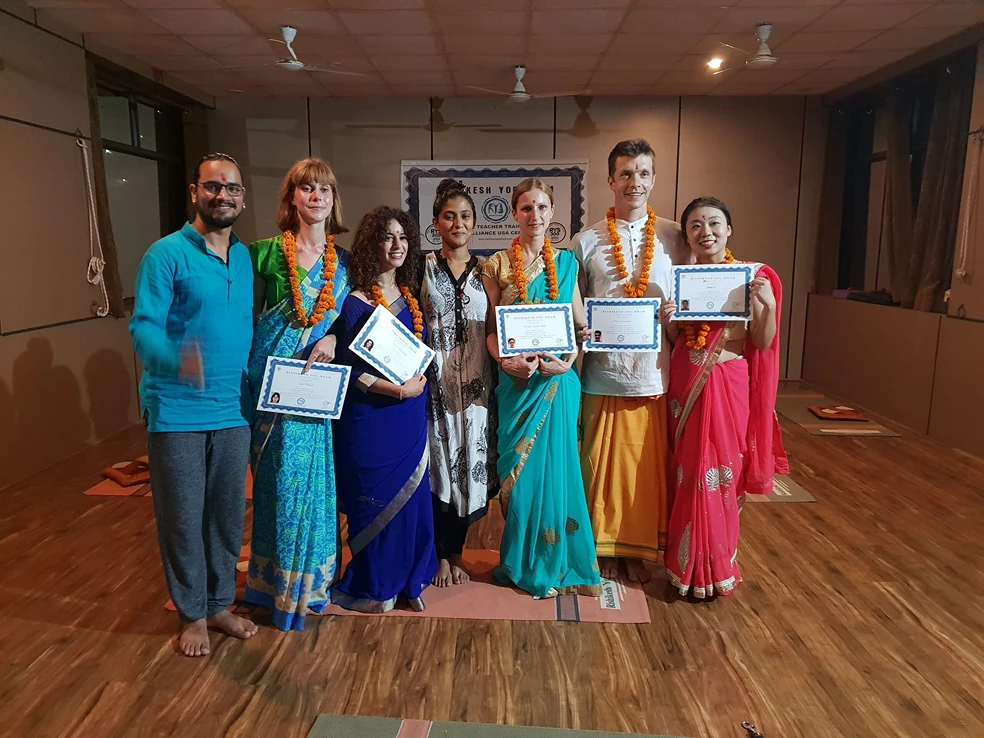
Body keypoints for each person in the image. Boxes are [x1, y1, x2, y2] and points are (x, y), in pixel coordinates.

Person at [130, 152, 258, 657]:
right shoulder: (164, 255)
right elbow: (143, 328)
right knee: (183, 518)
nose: (222, 195)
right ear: (194, 192)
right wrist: (177, 361)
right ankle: (192, 614)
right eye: (213, 186)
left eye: (232, 188)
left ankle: (219, 603)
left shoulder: (244, 258)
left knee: (226, 518)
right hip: (177, 412)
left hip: (234, 411)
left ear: (242, 198)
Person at [572, 139, 688, 583]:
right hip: (602, 374)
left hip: (652, 374)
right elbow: (575, 308)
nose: (633, 182)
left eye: (642, 173)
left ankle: (637, 549)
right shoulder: (585, 241)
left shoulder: (675, 238)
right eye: (625, 174)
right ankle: (601, 548)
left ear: (653, 179)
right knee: (599, 466)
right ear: (610, 180)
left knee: (643, 469)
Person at [660, 196, 788, 599]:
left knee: (721, 475)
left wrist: (766, 306)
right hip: (686, 382)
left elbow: (762, 342)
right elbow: (677, 340)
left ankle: (717, 566)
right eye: (695, 226)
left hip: (729, 383)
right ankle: (684, 566)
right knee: (688, 472)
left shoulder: (752, 278)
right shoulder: (681, 280)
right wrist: (668, 323)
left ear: (729, 229)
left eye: (714, 223)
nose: (706, 232)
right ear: (687, 236)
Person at [242, 157, 351, 631]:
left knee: (313, 480)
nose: (316, 197)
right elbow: (245, 319)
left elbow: (351, 321)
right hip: (272, 386)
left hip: (317, 390)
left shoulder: (344, 262)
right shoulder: (263, 254)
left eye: (324, 189)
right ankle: (273, 586)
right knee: (277, 481)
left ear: (333, 199)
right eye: (306, 188)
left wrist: (333, 339)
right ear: (291, 197)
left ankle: (309, 584)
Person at [481, 178, 601, 599]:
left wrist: (568, 361)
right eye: (527, 208)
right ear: (514, 213)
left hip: (557, 381)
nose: (535, 215)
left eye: (542, 207)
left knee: (560, 470)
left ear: (552, 213)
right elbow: (490, 330)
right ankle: (520, 562)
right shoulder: (496, 265)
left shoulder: (566, 263)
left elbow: (580, 324)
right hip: (517, 383)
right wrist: (505, 361)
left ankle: (559, 561)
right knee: (521, 477)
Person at [330, 206, 438, 612]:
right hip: (369, 416)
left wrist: (415, 384)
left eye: (404, 238)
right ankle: (375, 584)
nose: (397, 245)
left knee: (412, 499)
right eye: (387, 237)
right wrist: (396, 390)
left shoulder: (413, 297)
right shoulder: (352, 301)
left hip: (409, 414)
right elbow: (348, 371)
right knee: (372, 499)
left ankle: (411, 579)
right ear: (370, 243)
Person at [420, 178, 498, 588]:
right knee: (438, 468)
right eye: (449, 216)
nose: (458, 223)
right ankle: (437, 554)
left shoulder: (487, 271)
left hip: (477, 393)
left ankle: (456, 553)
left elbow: (498, 326)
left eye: (465, 216)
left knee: (470, 469)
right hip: (435, 389)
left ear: (475, 223)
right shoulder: (421, 267)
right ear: (436, 223)